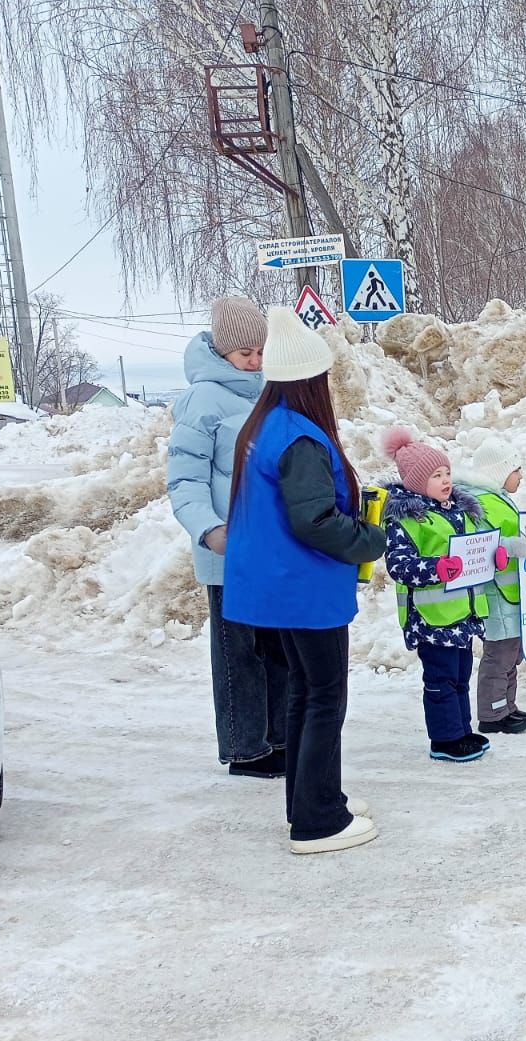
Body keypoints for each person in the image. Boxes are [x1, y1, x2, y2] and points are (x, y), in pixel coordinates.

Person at [223, 307, 386, 854]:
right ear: (310, 382)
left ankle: (314, 798)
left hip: (274, 587)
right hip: (302, 590)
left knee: (303, 694)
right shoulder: (300, 438)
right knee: (323, 698)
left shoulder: (264, 424)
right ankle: (317, 822)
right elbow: (313, 520)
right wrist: (370, 539)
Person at [166, 297, 291, 779]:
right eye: (245, 354)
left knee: (278, 646)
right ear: (221, 351)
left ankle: (278, 737)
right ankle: (245, 748)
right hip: (230, 550)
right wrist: (210, 531)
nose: (255, 361)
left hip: (273, 545)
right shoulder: (203, 399)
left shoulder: (269, 390)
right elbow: (185, 479)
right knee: (239, 651)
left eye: (260, 351)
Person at [382, 427, 497, 762]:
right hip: (431, 618)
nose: (446, 479)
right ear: (417, 482)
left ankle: (462, 730)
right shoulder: (408, 521)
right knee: (441, 678)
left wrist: (494, 556)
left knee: (460, 673)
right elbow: (400, 565)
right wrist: (437, 568)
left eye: (446, 472)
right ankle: (444, 739)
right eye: (436, 475)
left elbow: (476, 548)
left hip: (463, 612)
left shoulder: (458, 511)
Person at [459, 436, 526, 734]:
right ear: (498, 471)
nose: (521, 475)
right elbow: (478, 546)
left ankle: (508, 706)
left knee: (512, 653)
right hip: (495, 595)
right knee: (499, 654)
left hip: (511, 592)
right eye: (516, 469)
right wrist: (507, 547)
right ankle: (491, 715)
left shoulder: (498, 498)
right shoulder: (479, 503)